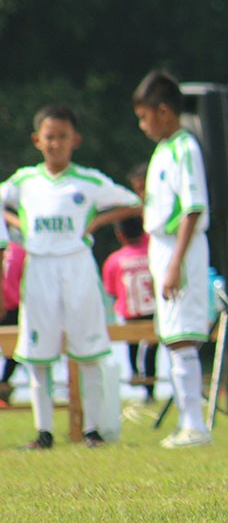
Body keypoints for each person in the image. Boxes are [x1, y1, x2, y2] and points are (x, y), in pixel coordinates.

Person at [1, 104, 141, 449]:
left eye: (62, 137)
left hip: (77, 266)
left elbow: (134, 202)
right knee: (38, 353)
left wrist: (96, 221)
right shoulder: (25, 181)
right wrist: (18, 223)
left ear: (74, 140)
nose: (55, 144)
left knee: (88, 349)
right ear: (37, 140)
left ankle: (92, 430)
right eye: (49, 137)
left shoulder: (88, 181)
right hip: (39, 267)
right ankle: (44, 432)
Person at [133, 69, 213, 449]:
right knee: (171, 337)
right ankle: (186, 421)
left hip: (183, 246)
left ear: (163, 111)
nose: (142, 125)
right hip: (162, 246)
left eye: (144, 116)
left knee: (183, 338)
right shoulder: (162, 150)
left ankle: (195, 425)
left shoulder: (185, 148)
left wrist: (176, 263)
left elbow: (193, 208)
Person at [102, 215, 158, 403]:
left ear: (120, 234)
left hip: (129, 312)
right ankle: (150, 389)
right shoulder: (153, 253)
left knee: (131, 344)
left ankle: (134, 371)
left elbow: (111, 290)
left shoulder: (114, 260)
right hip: (152, 310)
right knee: (151, 350)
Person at [0, 234, 25, 406]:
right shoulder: (20, 251)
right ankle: (4, 383)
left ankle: (3, 387)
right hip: (13, 307)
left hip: (9, 306)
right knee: (15, 349)